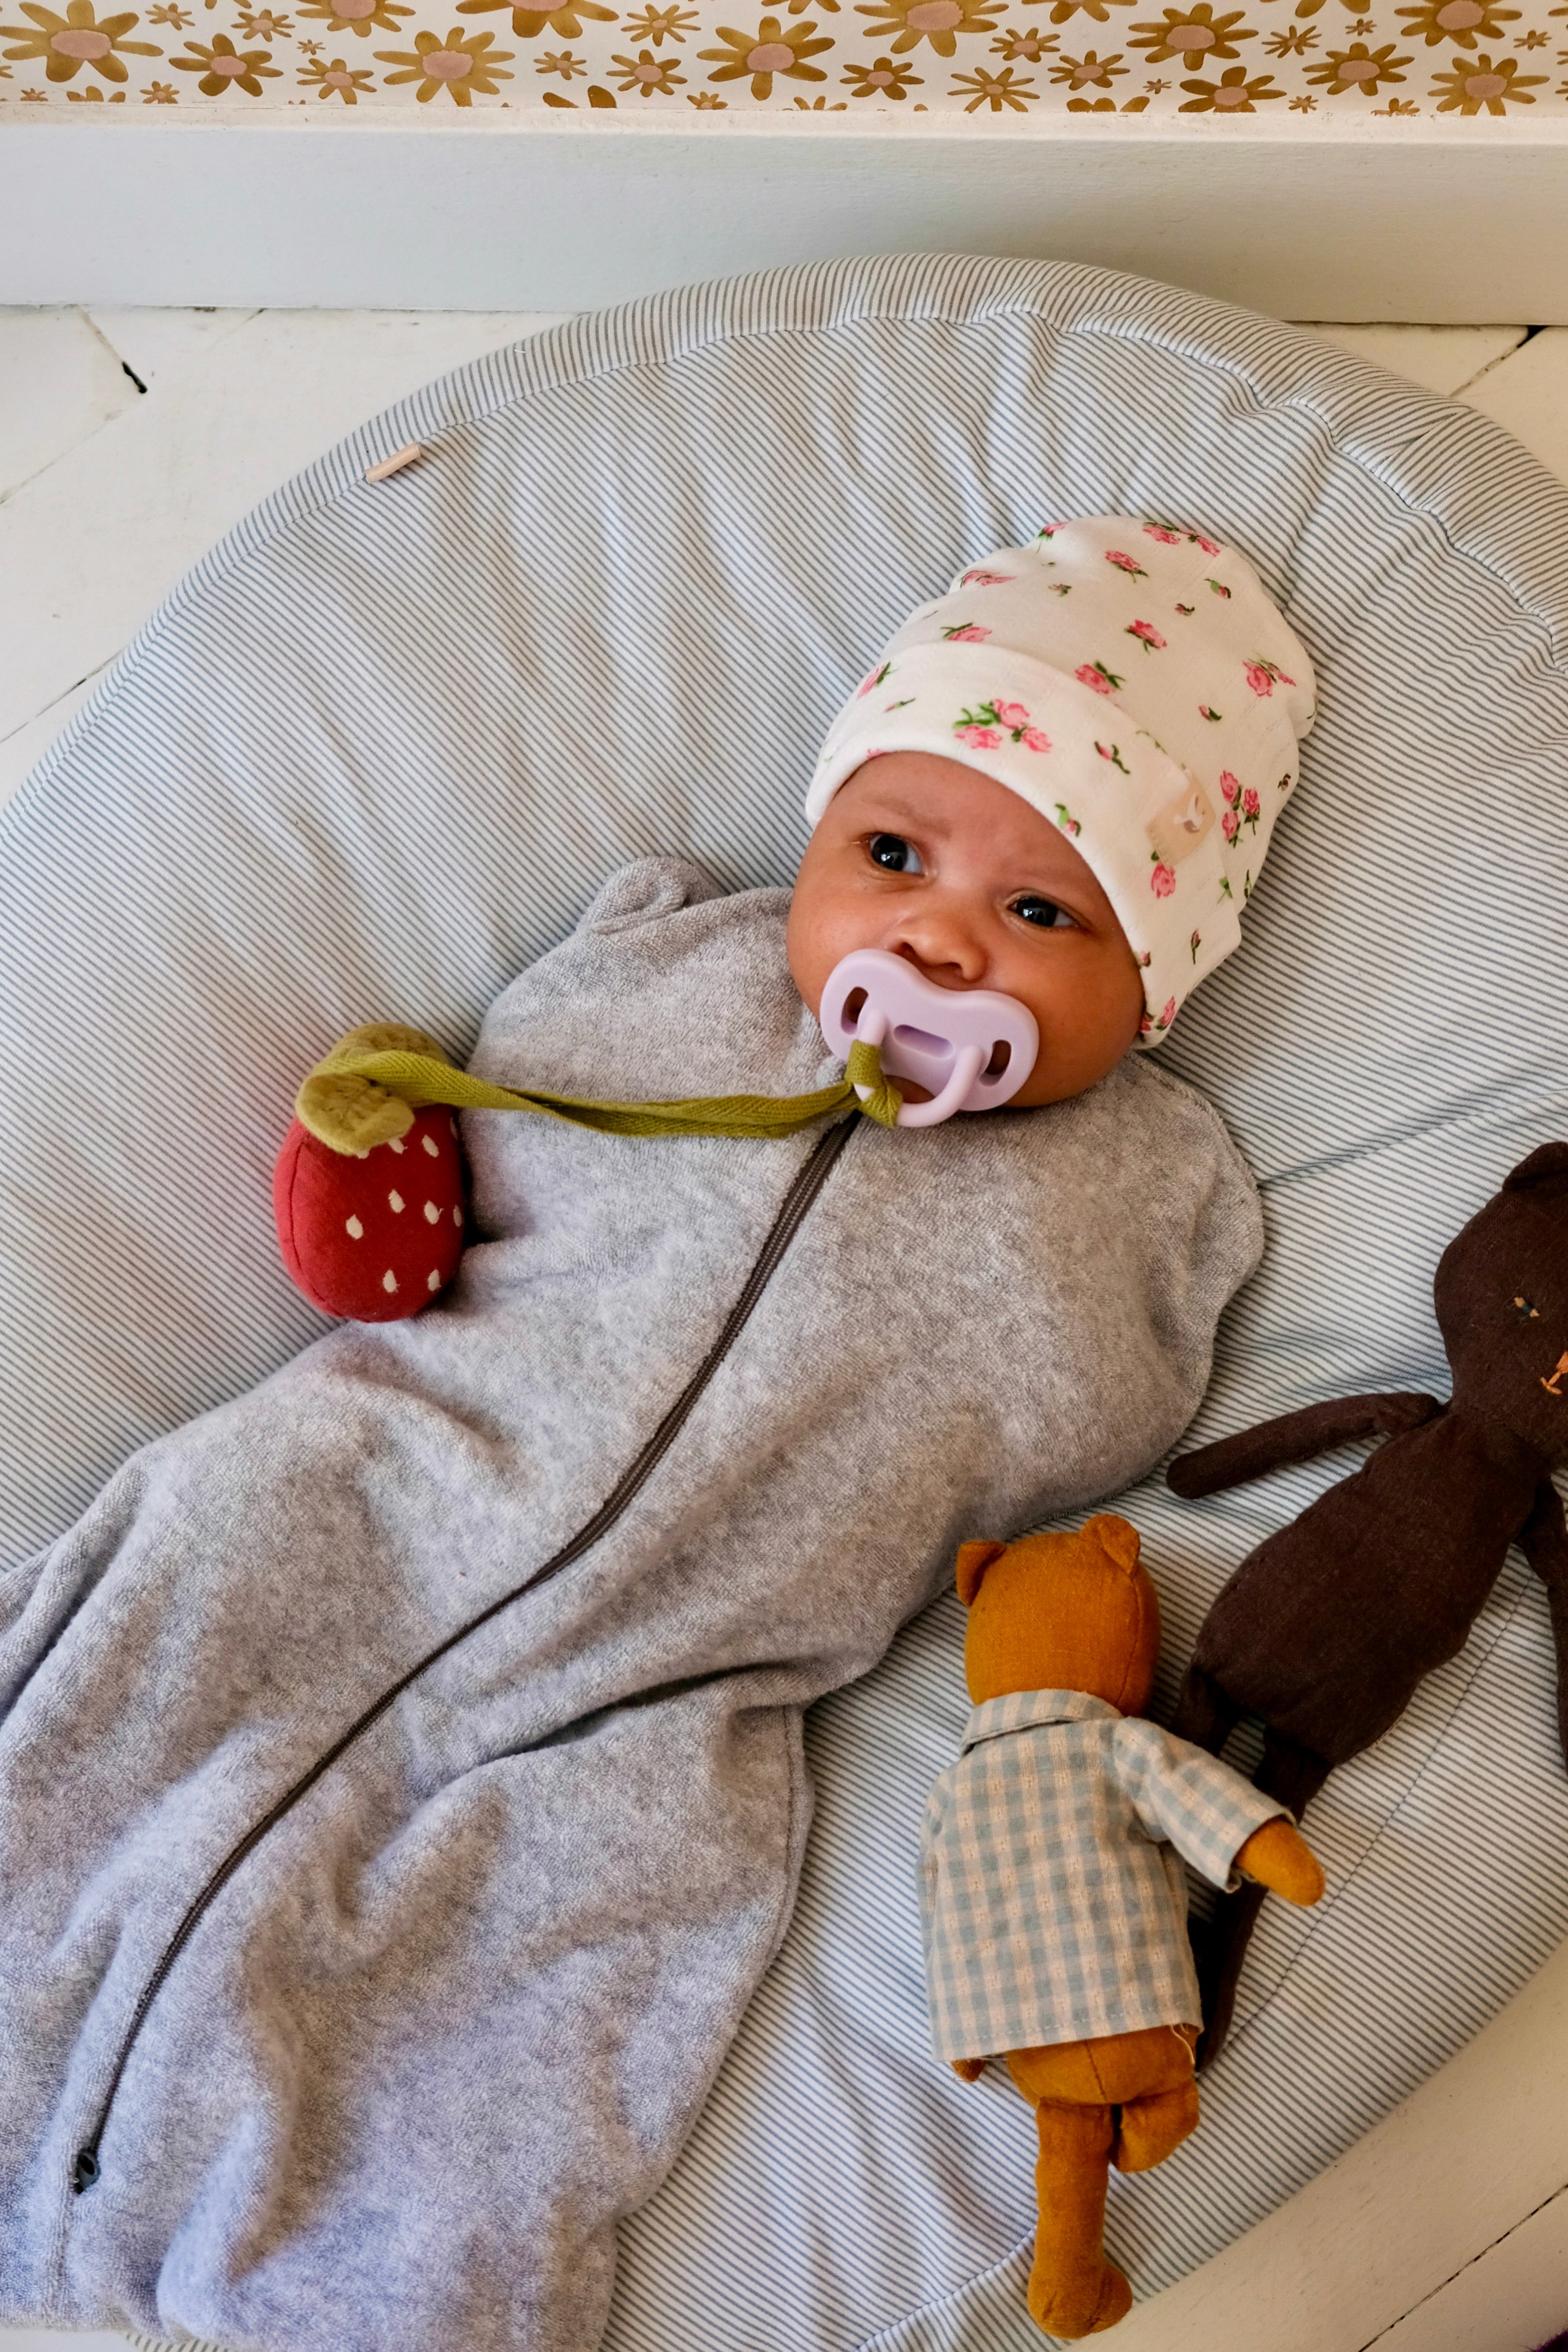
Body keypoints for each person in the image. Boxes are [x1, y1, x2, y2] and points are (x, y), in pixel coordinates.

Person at [0, 516, 1313, 2352]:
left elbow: (1094, 1434)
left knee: (490, 2061)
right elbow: (502, 1147)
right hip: (365, 1489)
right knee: (83, 1777)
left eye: (1042, 912)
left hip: (677, 1700)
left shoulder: (1157, 1198)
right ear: (818, 832)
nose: (937, 933)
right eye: (889, 852)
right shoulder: (669, 970)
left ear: (1155, 977)